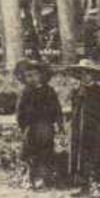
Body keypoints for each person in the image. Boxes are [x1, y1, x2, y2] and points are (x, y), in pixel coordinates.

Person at [65, 59, 100, 197]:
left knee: (97, 156)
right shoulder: (76, 91)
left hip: (96, 130)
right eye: (82, 73)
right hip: (79, 130)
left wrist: (99, 122)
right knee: (80, 157)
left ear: (93, 75)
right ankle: (83, 185)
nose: (85, 76)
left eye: (88, 73)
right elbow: (74, 109)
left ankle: (97, 186)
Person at [13, 59, 62, 190]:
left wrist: (59, 124)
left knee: (46, 152)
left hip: (46, 126)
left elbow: (57, 109)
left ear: (42, 75)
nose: (32, 78)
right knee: (30, 154)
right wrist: (23, 126)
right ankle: (29, 178)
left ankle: (43, 179)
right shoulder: (25, 92)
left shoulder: (49, 91)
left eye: (35, 75)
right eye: (28, 76)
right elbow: (20, 111)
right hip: (31, 127)